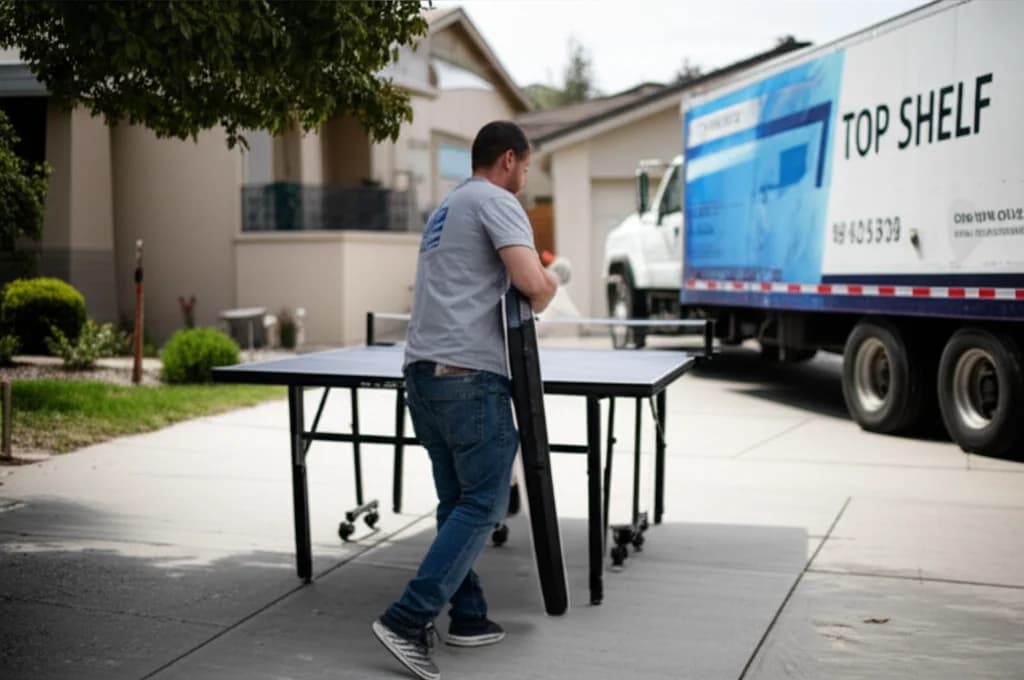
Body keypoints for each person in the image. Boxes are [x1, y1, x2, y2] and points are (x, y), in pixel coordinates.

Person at [371, 121, 558, 680]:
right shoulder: (495, 201)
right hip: (466, 377)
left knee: (457, 503)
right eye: (525, 167)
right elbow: (532, 283)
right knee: (484, 504)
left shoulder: (448, 207)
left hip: (423, 376)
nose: (524, 178)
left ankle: (468, 616)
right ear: (506, 160)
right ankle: (407, 619)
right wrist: (550, 282)